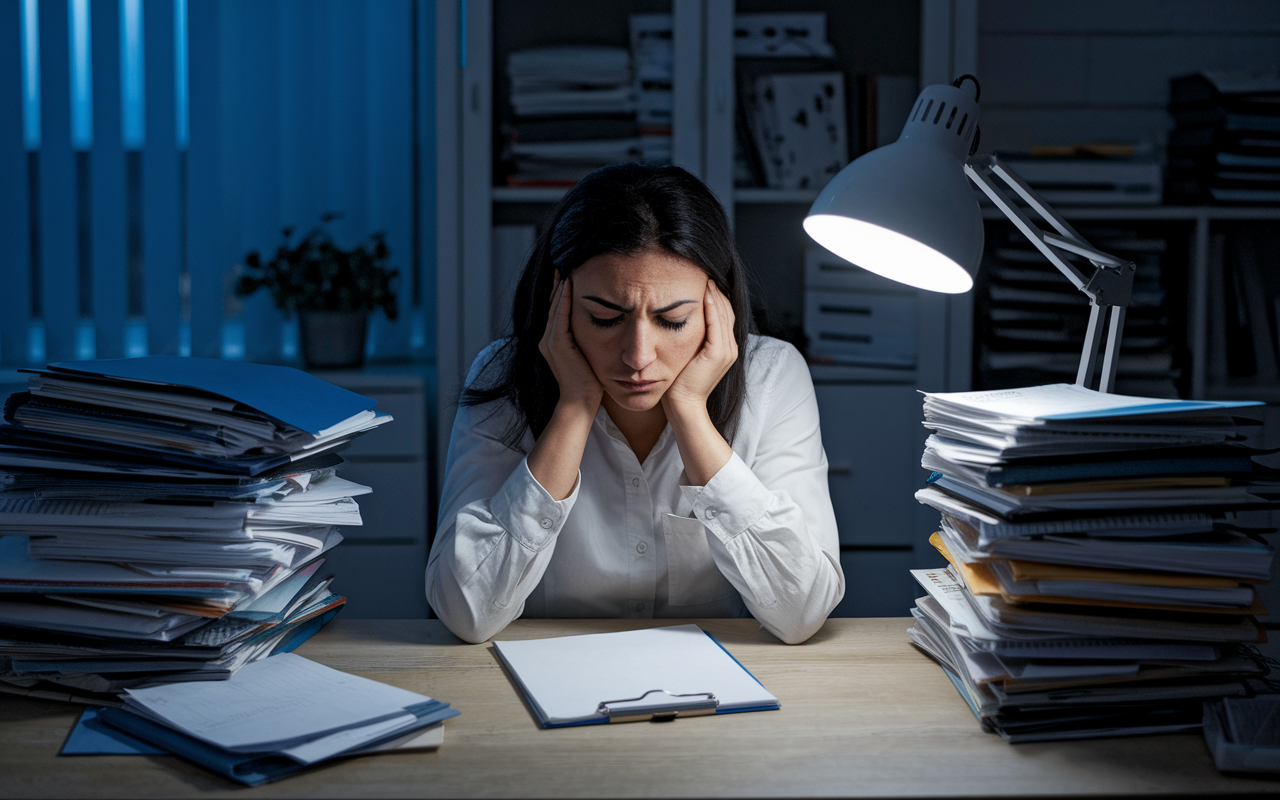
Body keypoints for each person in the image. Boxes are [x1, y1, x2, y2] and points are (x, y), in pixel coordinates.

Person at [426, 163, 843, 644]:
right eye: (605, 318)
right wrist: (574, 408)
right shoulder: (503, 376)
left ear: (717, 307)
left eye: (673, 321)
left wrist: (689, 411)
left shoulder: (773, 376)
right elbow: (464, 611)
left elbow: (802, 611)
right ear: (557, 301)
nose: (638, 356)